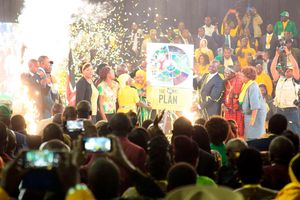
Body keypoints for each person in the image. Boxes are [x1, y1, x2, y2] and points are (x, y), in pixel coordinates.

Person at [271, 47, 300, 134]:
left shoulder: (296, 79)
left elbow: (295, 66)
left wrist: (288, 53)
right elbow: (272, 69)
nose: (288, 71)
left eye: (290, 70)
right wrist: (276, 55)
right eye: (287, 69)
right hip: (279, 109)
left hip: (291, 110)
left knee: (295, 132)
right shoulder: (280, 78)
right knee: (280, 131)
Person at [239, 67, 267, 140]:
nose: (241, 78)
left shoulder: (253, 87)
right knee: (249, 135)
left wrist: (252, 120)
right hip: (249, 114)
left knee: (254, 137)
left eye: (243, 76)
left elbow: (255, 106)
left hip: (255, 115)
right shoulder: (246, 85)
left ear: (248, 77)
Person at [223, 65, 244, 138]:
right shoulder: (225, 81)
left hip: (236, 110)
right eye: (224, 72)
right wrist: (224, 105)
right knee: (228, 128)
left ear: (233, 73)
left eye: (227, 73)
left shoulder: (239, 80)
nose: (225, 74)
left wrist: (235, 96)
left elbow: (241, 95)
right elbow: (223, 95)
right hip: (227, 109)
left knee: (237, 128)